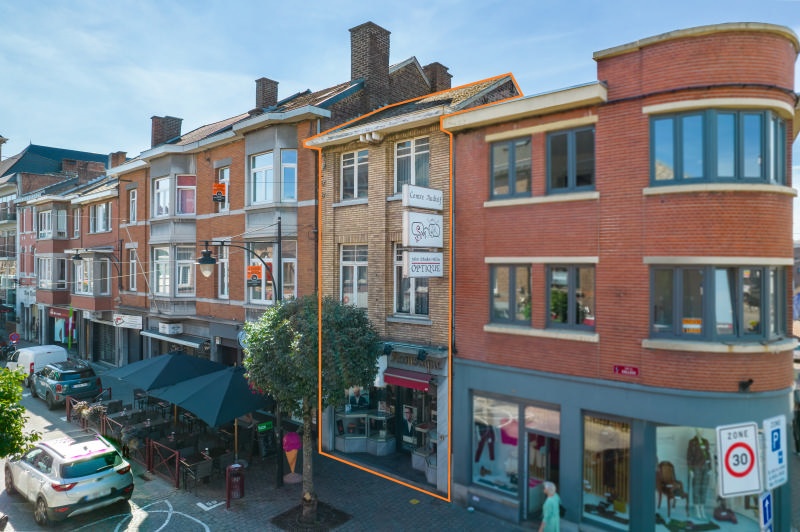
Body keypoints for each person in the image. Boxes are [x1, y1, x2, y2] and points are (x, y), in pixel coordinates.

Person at [687, 428, 711, 519]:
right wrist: (690, 469)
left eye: (701, 431)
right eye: (698, 431)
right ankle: (697, 509)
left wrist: (710, 468)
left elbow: (708, 455)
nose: (700, 432)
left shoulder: (706, 441)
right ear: (695, 431)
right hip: (696, 467)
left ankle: (702, 508)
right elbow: (689, 456)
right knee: (696, 488)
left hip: (706, 467)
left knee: (704, 488)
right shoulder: (692, 442)